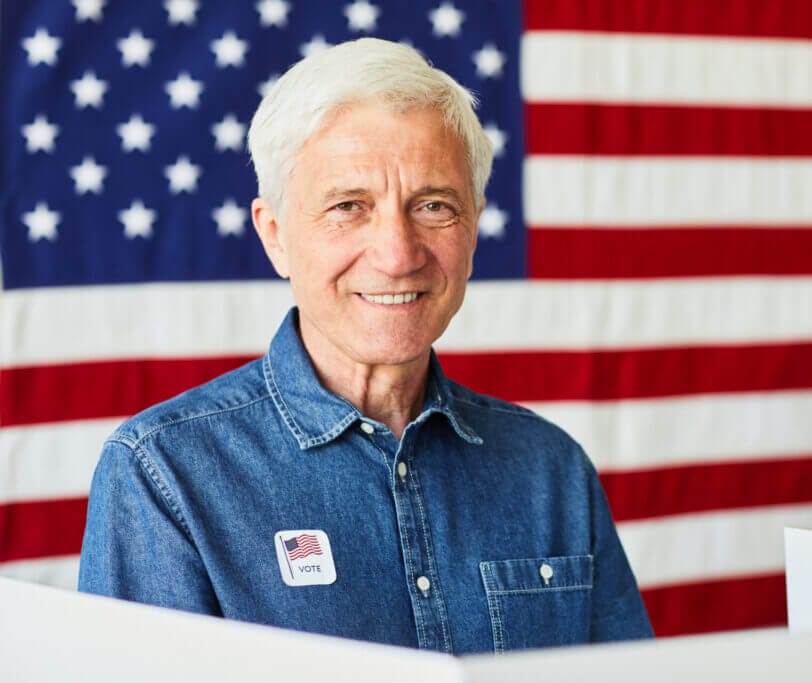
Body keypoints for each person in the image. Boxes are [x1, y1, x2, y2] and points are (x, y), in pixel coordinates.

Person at [78, 37, 653, 654]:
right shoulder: (164, 474)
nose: (398, 255)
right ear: (274, 237)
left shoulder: (551, 468)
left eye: (433, 206)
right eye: (349, 207)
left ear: (475, 228)